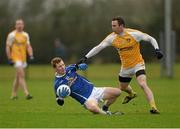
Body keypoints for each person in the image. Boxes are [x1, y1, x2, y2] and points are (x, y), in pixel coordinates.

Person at [77, 16, 163, 114]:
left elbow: (151, 39)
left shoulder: (133, 34)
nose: (112, 28)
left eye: (114, 26)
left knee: (142, 84)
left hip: (138, 64)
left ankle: (153, 107)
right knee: (122, 88)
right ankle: (131, 94)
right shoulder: (112, 37)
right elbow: (99, 47)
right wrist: (85, 57)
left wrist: (157, 49)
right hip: (125, 68)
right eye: (112, 26)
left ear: (121, 26)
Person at [51, 57, 122, 115]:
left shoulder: (69, 68)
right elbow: (59, 101)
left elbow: (79, 66)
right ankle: (107, 114)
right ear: (55, 69)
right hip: (87, 99)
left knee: (118, 92)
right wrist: (61, 97)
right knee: (93, 108)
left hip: (94, 90)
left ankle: (105, 108)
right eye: (60, 66)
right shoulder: (58, 84)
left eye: (63, 64)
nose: (63, 67)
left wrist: (82, 66)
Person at [6, 19, 34, 100]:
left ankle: (13, 94)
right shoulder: (12, 35)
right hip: (15, 58)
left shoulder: (26, 35)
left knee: (18, 77)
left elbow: (28, 46)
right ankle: (27, 93)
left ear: (23, 25)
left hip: (23, 59)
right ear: (15, 25)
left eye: (21, 24)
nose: (19, 25)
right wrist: (9, 58)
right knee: (22, 75)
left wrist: (31, 54)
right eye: (18, 24)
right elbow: (8, 47)